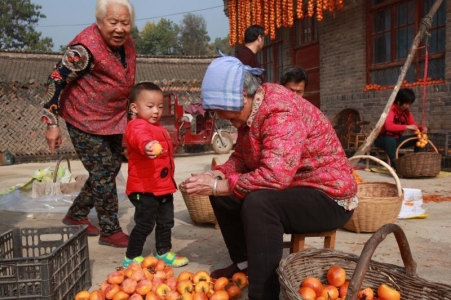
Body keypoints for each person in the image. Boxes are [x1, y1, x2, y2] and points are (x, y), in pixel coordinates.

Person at [182, 56, 358, 300]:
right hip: (294, 187)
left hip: (327, 197)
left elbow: (275, 177)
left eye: (230, 116)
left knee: (260, 204)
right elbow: (241, 158)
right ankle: (246, 267)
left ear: (243, 95)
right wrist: (216, 174)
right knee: (223, 196)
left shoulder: (280, 111)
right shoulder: (250, 111)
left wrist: (218, 184)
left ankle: (264, 292)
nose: (230, 122)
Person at [40, 0, 136, 247]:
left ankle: (76, 214)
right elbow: (55, 82)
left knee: (110, 168)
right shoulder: (82, 50)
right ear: (99, 22)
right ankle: (110, 229)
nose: (119, 28)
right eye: (112, 22)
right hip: (83, 117)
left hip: (113, 117)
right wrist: (51, 123)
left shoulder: (127, 44)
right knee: (103, 173)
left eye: (125, 23)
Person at [122, 82, 189, 268]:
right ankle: (131, 257)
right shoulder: (136, 126)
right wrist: (147, 146)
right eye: (150, 106)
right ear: (134, 108)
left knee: (166, 222)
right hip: (144, 189)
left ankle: (164, 251)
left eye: (160, 107)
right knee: (144, 224)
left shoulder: (159, 127)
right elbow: (139, 138)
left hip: (163, 187)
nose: (156, 111)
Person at [374, 88, 427, 169]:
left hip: (397, 140)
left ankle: (418, 163)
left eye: (409, 104)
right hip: (382, 140)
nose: (407, 106)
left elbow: (413, 125)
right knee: (390, 140)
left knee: (419, 139)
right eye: (405, 104)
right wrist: (407, 127)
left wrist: (421, 128)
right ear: (398, 101)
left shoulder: (406, 112)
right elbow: (389, 126)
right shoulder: (391, 110)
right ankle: (395, 164)